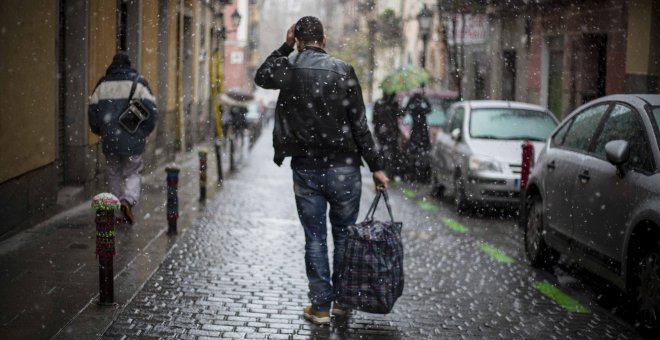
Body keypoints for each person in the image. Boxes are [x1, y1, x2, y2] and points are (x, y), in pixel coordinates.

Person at [254, 16, 389, 325]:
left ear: (299, 40)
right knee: (344, 235)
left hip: (306, 167)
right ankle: (342, 303)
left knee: (315, 238)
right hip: (344, 168)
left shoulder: (289, 69)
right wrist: (377, 167)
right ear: (324, 40)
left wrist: (285, 47)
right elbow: (359, 125)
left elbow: (261, 77)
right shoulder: (344, 70)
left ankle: (320, 308)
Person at [88, 51, 157, 225]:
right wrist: (143, 132)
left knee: (114, 173)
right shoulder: (139, 83)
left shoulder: (102, 85)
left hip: (110, 139)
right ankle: (128, 200)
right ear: (128, 64)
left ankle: (117, 211)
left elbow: (93, 114)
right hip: (133, 140)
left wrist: (101, 131)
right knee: (133, 172)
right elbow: (151, 111)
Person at [372, 93, 403, 178]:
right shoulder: (381, 104)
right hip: (385, 133)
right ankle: (383, 171)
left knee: (390, 153)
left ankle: (388, 172)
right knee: (384, 152)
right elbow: (375, 118)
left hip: (390, 133)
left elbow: (401, 114)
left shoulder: (392, 104)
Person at [404, 91, 432, 183]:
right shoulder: (420, 109)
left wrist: (411, 101)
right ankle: (419, 177)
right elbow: (429, 109)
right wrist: (425, 99)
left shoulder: (414, 109)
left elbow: (405, 110)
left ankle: (416, 177)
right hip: (420, 135)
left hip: (418, 135)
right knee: (418, 157)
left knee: (416, 157)